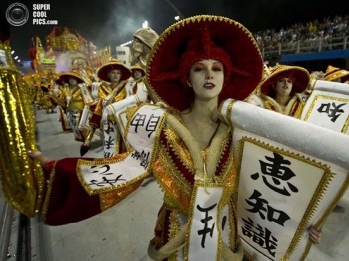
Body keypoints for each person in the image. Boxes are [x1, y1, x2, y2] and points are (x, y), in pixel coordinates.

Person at [27, 15, 320, 260]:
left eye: (217, 68)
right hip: (175, 234)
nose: (209, 75)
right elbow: (121, 173)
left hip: (226, 232)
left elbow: (270, 185)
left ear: (226, 75)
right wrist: (52, 171)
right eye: (199, 68)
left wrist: (302, 223)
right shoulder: (158, 124)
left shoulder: (243, 127)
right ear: (186, 77)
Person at [80, 59, 132, 157]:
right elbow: (99, 108)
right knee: (109, 147)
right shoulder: (102, 88)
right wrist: (90, 134)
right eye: (112, 72)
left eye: (118, 73)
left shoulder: (126, 89)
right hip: (108, 124)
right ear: (108, 75)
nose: (115, 75)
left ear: (121, 75)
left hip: (122, 123)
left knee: (123, 149)